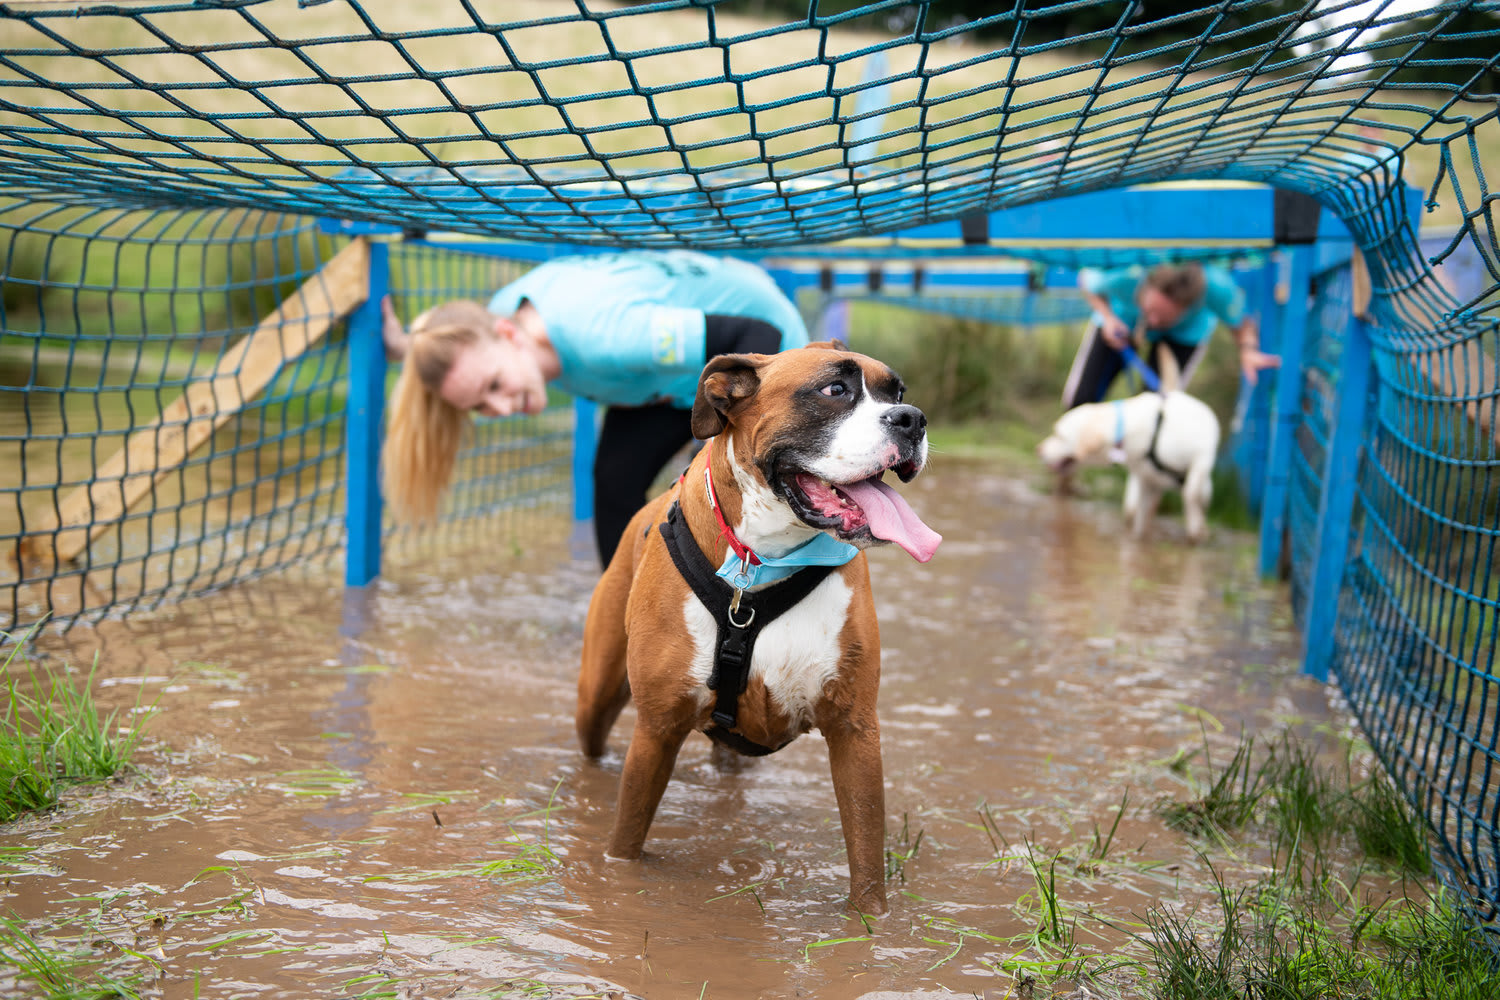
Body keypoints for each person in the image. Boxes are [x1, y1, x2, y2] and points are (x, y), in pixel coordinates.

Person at [379, 250, 809, 566]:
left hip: (765, 347)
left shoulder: (605, 336)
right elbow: (449, 338)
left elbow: (757, 333)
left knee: (728, 484)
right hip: (669, 377)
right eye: (481, 406)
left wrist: (718, 446)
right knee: (615, 481)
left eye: (494, 385)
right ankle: (629, 618)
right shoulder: (490, 326)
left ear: (508, 335)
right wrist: (406, 347)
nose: (501, 405)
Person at [1060, 262, 1280, 411]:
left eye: (1164, 316)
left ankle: (1141, 466)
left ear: (1189, 306)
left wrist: (1248, 350)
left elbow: (1241, 323)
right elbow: (1086, 281)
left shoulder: (1217, 287)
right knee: (1082, 398)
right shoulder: (1126, 273)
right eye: (1152, 310)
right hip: (1123, 318)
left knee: (1158, 406)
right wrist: (1108, 318)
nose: (1154, 322)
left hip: (1184, 334)